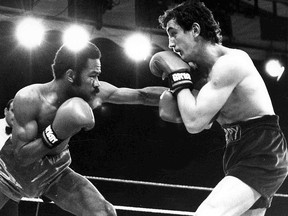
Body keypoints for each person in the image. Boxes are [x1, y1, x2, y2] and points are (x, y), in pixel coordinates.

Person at [149, 1, 288, 216]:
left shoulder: (230, 63)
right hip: (237, 149)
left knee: (208, 213)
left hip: (262, 149)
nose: (170, 43)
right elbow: (183, 109)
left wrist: (178, 75)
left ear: (195, 30)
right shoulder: (204, 74)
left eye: (173, 33)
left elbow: (195, 123)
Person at [0, 42, 167, 216]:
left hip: (53, 172)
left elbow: (142, 95)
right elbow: (21, 157)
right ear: (71, 75)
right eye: (93, 75)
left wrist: (181, 91)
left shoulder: (94, 93)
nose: (97, 84)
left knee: (105, 213)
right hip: (7, 173)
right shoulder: (30, 98)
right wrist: (55, 134)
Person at [0, 99, 19, 216]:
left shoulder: (25, 134)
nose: (17, 116)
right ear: (5, 111)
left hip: (10, 190)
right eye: (13, 111)